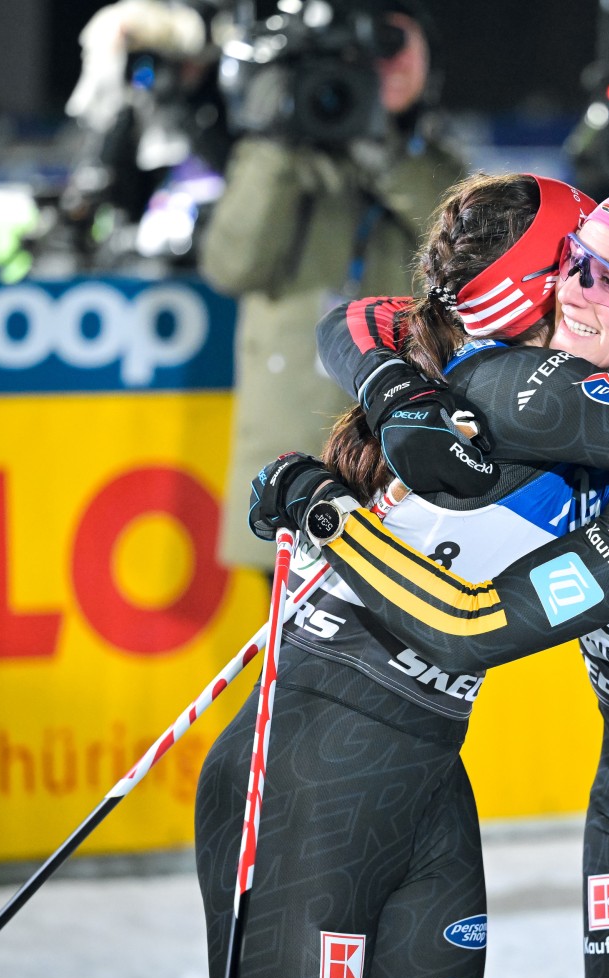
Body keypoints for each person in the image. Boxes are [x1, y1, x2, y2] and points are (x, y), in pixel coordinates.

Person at [194, 173, 609, 978]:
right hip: (310, 767)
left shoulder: (544, 384)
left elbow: (361, 320)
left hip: (426, 777)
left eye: (601, 271)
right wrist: (329, 504)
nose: (578, 287)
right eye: (573, 263)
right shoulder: (531, 389)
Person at [200, 0, 467, 575]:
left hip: (402, 456)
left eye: (399, 43)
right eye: (373, 47)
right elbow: (231, 267)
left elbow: (466, 257)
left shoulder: (441, 169)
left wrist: (385, 158)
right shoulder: (282, 157)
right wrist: (274, 142)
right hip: (292, 456)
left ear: (430, 59)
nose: (389, 62)